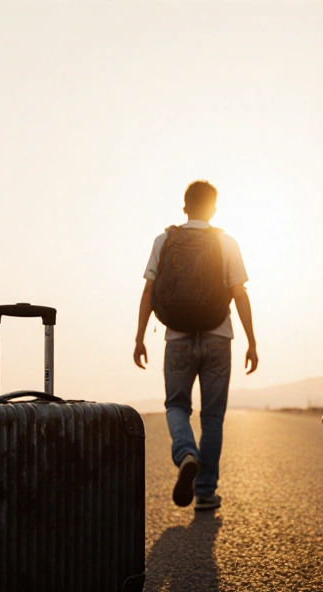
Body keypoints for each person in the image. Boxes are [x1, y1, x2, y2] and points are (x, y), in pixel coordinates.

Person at [134, 180, 258, 511]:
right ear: (214, 209)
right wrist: (251, 341)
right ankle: (205, 492)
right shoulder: (225, 242)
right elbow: (239, 293)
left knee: (176, 405)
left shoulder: (165, 240)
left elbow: (148, 291)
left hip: (176, 337)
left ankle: (186, 453)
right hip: (218, 336)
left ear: (185, 207)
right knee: (213, 418)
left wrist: (139, 338)